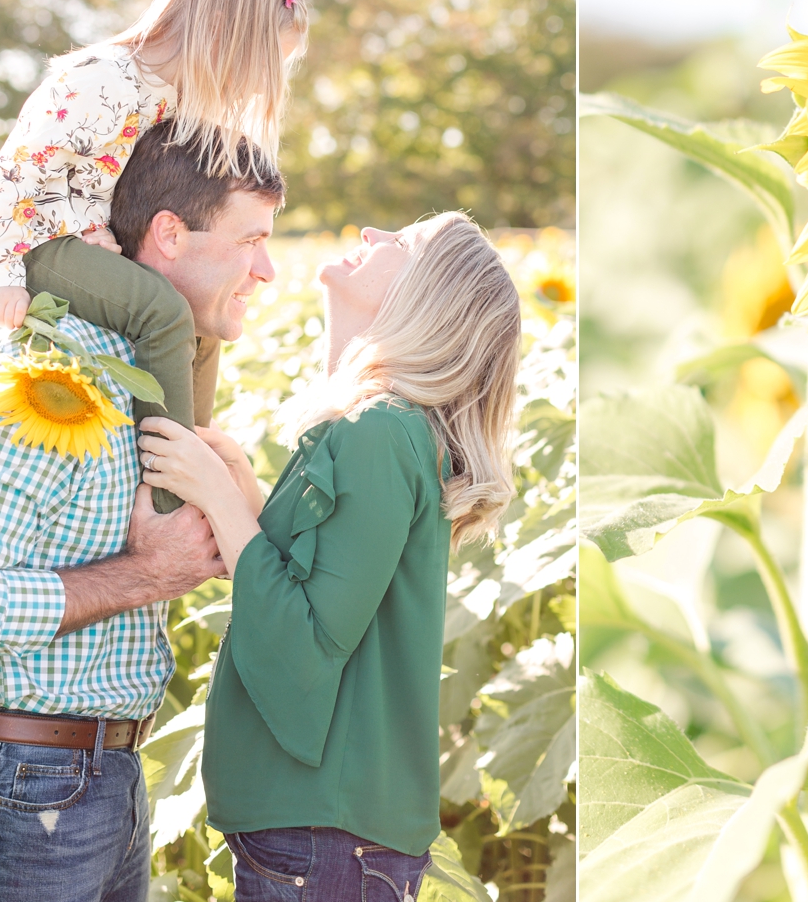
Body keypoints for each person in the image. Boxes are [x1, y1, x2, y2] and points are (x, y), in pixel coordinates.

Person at [0, 122, 285, 902]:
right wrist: (144, 573)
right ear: (169, 233)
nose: (267, 271)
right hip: (9, 789)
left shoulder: (145, 376)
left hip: (100, 782)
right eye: (251, 240)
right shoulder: (37, 380)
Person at [139, 212, 522, 902]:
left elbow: (308, 643)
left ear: (425, 296)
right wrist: (250, 503)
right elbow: (331, 591)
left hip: (323, 836)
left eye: (401, 243)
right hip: (326, 834)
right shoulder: (375, 426)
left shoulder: (377, 432)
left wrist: (217, 499)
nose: (372, 232)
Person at [0, 0, 307, 509]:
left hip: (94, 243)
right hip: (37, 242)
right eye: (263, 63)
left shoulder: (173, 98)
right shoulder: (102, 80)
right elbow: (15, 175)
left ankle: (195, 448)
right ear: (224, 31)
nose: (256, 83)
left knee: (201, 315)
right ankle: (168, 498)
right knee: (161, 311)